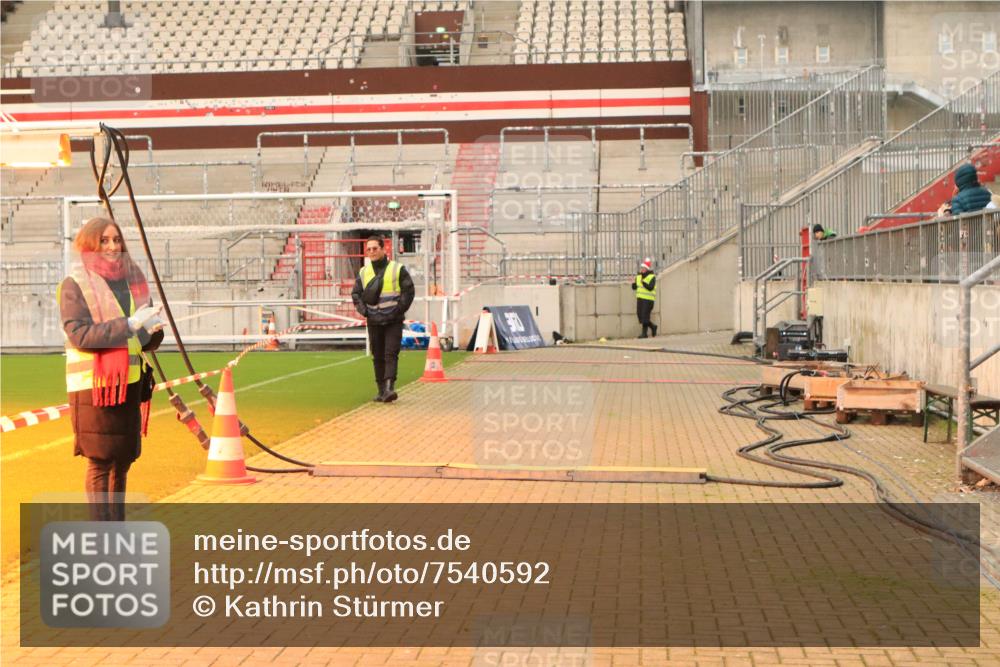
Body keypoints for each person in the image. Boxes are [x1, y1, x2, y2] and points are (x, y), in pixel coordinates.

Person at [59, 217, 165, 521]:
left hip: (129, 384)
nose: (112, 246)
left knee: (122, 461)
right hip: (94, 388)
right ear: (89, 244)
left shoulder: (134, 280)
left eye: (116, 240)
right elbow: (79, 334)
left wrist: (152, 329)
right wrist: (129, 325)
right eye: (104, 240)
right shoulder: (74, 284)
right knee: (101, 462)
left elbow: (143, 340)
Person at [351, 235, 415, 403]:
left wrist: (398, 311)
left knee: (391, 354)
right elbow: (356, 294)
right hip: (374, 320)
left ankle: (389, 388)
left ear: (383, 249)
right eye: (369, 249)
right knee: (377, 355)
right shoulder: (364, 272)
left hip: (393, 320)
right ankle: (381, 390)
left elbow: (408, 292)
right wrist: (365, 312)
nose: (372, 252)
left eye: (375, 248)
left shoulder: (397, 269)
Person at [631, 257, 657, 339]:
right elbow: (635, 287)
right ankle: (653, 326)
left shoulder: (652, 276)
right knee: (640, 315)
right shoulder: (638, 276)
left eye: (643, 268)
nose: (642, 269)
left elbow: (651, 287)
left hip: (648, 300)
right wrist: (633, 283)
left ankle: (644, 333)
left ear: (647, 269)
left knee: (645, 316)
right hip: (640, 299)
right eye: (641, 268)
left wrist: (643, 282)